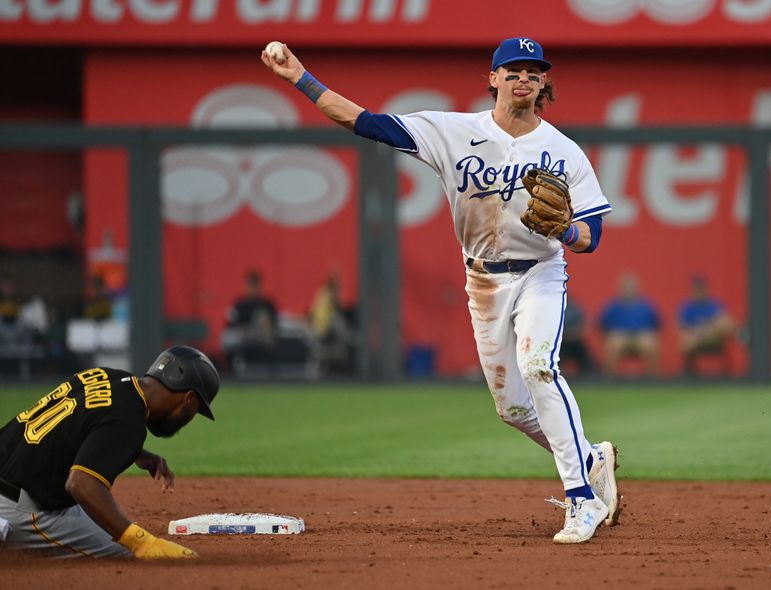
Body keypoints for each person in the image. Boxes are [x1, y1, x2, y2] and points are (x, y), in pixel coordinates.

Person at [261, 36, 619, 544]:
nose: (524, 79)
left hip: (541, 272)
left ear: (544, 83)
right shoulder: (452, 131)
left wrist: (564, 230)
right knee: (513, 410)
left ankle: (580, 499)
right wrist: (300, 77)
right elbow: (364, 122)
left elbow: (592, 237)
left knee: (540, 365)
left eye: (533, 72)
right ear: (492, 78)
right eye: (513, 70)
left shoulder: (563, 150)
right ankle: (589, 456)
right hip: (483, 279)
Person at [0, 345, 220, 559]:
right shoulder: (127, 422)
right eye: (196, 411)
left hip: (9, 472)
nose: (190, 418)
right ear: (189, 399)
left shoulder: (106, 376)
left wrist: (136, 452)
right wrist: (142, 543)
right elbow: (80, 484)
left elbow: (78, 423)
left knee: (103, 520)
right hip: (23, 510)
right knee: (129, 549)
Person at [599, 272, 661, 376]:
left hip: (640, 337)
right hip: (621, 338)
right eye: (626, 287)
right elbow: (602, 326)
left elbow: (657, 326)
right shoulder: (613, 306)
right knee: (613, 341)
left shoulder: (646, 306)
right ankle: (610, 378)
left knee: (650, 342)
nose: (629, 290)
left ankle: (652, 378)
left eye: (631, 287)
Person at [220, 270, 278, 372]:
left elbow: (274, 323)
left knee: (262, 316)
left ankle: (269, 359)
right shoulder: (240, 303)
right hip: (242, 333)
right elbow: (231, 322)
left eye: (254, 285)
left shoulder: (266, 303)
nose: (252, 288)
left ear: (260, 285)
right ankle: (230, 369)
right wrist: (241, 329)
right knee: (226, 337)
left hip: (259, 334)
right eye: (249, 284)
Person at [678, 275, 736, 375]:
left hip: (714, 338)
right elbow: (682, 328)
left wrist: (704, 331)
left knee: (722, 323)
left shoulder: (715, 304)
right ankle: (689, 375)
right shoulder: (687, 307)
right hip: (695, 339)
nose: (699, 291)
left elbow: (726, 324)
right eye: (696, 289)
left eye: (701, 288)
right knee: (687, 341)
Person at [308, 273, 356, 376]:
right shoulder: (327, 297)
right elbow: (336, 319)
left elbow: (312, 314)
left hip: (320, 333)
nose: (339, 292)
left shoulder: (321, 295)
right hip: (323, 333)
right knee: (344, 344)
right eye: (337, 289)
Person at [559, 299, 594, 376]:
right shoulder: (555, 309)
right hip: (561, 343)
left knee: (588, 359)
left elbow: (583, 328)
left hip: (575, 342)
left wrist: (573, 334)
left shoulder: (574, 310)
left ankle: (589, 378)